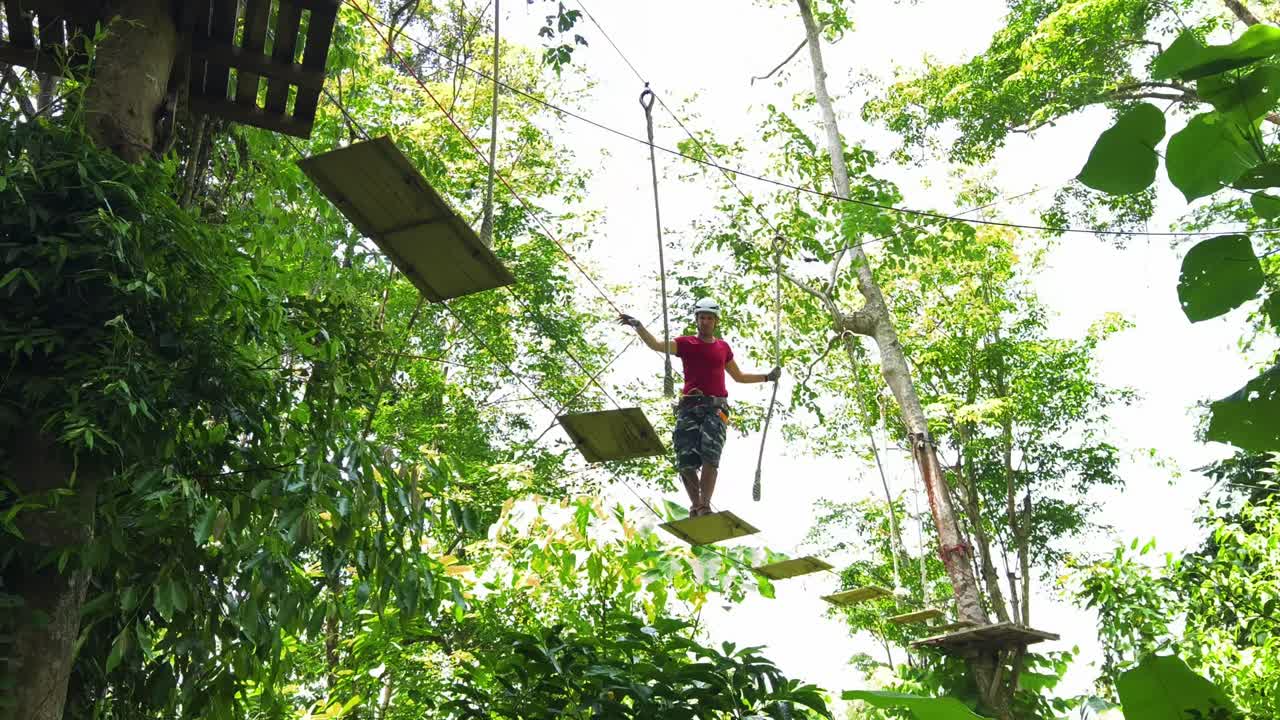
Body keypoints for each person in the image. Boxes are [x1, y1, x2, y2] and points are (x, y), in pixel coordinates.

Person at [619, 298, 781, 517]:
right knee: (685, 459)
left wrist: (767, 377)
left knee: (710, 456)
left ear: (716, 322)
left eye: (709, 318)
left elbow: (739, 377)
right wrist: (638, 325)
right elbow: (657, 345)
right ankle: (695, 505)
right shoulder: (686, 344)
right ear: (697, 320)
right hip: (689, 408)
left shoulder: (722, 347)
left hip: (715, 408)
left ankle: (705, 505)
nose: (705, 322)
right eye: (702, 317)